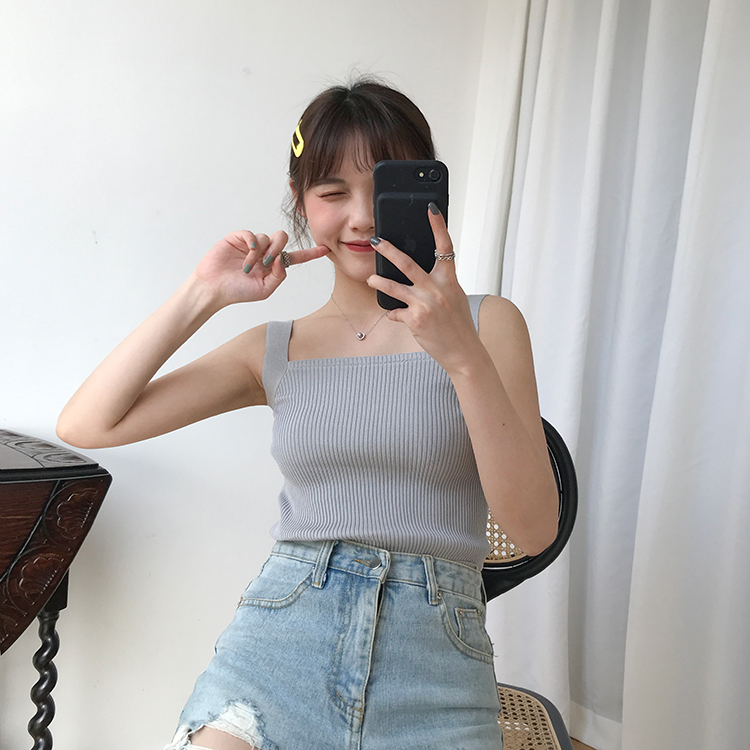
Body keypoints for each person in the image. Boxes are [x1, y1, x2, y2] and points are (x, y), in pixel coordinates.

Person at [57, 77, 559, 750]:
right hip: (281, 644)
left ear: (428, 196)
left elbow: (533, 528)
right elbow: (88, 424)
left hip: (436, 664)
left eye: (383, 189)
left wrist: (462, 356)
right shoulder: (274, 349)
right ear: (300, 203)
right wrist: (203, 294)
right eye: (332, 192)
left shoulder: (489, 325)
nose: (362, 217)